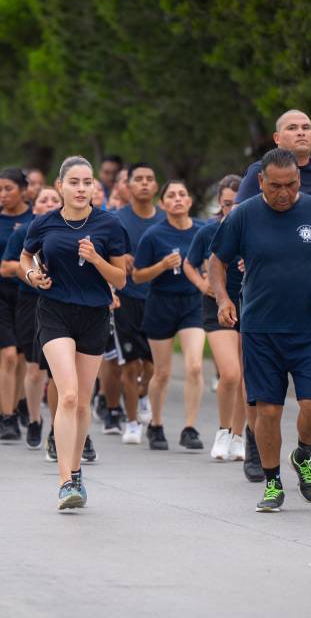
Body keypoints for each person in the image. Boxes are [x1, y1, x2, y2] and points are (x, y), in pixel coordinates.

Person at [210, 148, 311, 513]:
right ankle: (273, 483)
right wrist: (223, 299)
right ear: (261, 182)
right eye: (275, 186)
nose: (284, 192)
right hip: (261, 330)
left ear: (299, 181)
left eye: (291, 185)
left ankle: (304, 455)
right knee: (268, 412)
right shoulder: (243, 215)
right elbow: (217, 261)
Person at [20, 155, 126, 510]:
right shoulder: (44, 223)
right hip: (54, 312)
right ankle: (65, 481)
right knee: (66, 395)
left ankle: (76, 470)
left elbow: (121, 278)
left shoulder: (110, 225)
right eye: (74, 182)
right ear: (59, 187)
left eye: (87, 182)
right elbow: (26, 258)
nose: (82, 189)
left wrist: (97, 259)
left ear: (95, 186)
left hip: (94, 315)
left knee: (82, 401)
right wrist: (32, 275)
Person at [183, 175, 252, 464]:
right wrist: (202, 285)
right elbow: (189, 263)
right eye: (227, 204)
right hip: (217, 305)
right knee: (231, 373)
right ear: (220, 205)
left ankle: (239, 436)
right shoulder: (210, 231)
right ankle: (223, 431)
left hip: (251, 304)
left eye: (239, 204)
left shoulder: (257, 231)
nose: (232, 210)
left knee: (247, 378)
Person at [132, 180, 205, 450]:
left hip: (191, 303)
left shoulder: (202, 230)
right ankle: (156, 424)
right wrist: (162, 265)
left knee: (195, 366)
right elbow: (137, 276)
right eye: (171, 196)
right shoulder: (153, 235)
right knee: (161, 373)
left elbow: (213, 261)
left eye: (182, 194)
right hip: (161, 302)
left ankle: (190, 428)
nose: (177, 199)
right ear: (162, 204)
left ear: (189, 201)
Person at [1, 186, 63, 449]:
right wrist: (29, 272)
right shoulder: (23, 232)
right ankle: (35, 419)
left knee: (58, 372)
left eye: (54, 199)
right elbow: (6, 267)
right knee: (34, 368)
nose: (49, 203)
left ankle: (57, 428)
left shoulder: (70, 231)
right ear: (34, 207)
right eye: (43, 200)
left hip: (62, 302)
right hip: (30, 302)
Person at [0, 168, 34, 438]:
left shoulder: (34, 218)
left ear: (23, 190)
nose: (2, 194)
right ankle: (6, 416)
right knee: (7, 355)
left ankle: (18, 403)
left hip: (27, 293)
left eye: (8, 189)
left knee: (23, 357)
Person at [112, 163, 165, 444]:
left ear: (156, 186)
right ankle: (131, 422)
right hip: (128, 299)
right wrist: (119, 259)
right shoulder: (116, 219)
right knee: (131, 366)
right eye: (138, 179)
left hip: (158, 300)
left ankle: (144, 394)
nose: (144, 183)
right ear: (128, 186)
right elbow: (104, 251)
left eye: (150, 179)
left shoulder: (165, 220)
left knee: (154, 367)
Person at [235, 110, 311, 213]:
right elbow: (237, 215)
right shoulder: (260, 170)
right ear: (277, 138)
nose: (301, 133)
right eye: (292, 128)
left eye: (306, 128)